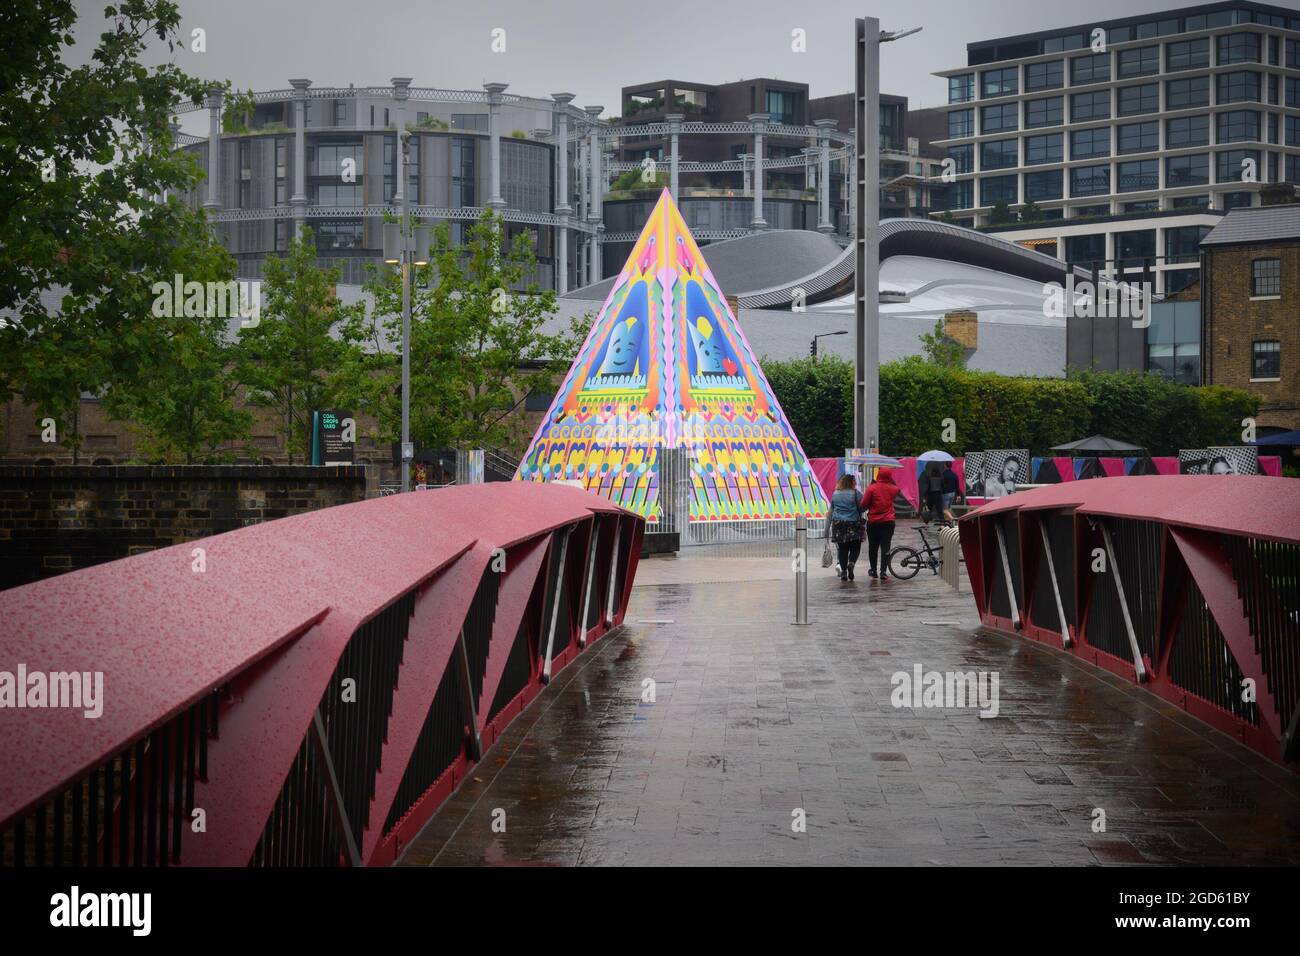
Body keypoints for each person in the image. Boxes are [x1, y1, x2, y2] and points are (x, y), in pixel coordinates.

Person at [826, 473, 866, 581]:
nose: (856, 483)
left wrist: (826, 529)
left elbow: (831, 510)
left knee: (842, 549)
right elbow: (862, 508)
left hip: (838, 524)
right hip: (853, 523)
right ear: (851, 483)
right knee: (855, 546)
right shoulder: (856, 493)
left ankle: (844, 571)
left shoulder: (835, 494)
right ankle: (851, 564)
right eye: (854, 482)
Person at [863, 466, 898, 580]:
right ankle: (883, 572)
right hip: (888, 522)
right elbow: (897, 489)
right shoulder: (893, 488)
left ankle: (873, 571)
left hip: (873, 522)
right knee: (885, 547)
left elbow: (864, 504)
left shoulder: (872, 488)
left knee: (873, 548)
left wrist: (873, 485)